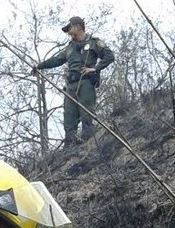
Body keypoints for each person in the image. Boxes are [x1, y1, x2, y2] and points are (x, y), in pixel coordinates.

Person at [33, 15, 115, 146]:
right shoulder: (70, 47)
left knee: (87, 115)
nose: (68, 32)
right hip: (71, 86)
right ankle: (70, 148)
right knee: (69, 118)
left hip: (86, 83)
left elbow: (109, 56)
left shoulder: (93, 42)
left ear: (77, 27)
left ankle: (90, 145)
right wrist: (40, 66)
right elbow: (57, 60)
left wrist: (95, 69)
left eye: (69, 28)